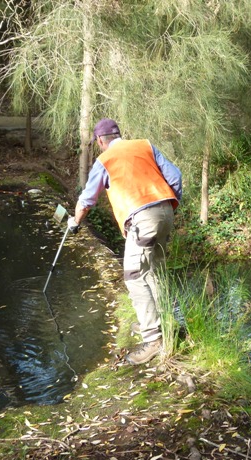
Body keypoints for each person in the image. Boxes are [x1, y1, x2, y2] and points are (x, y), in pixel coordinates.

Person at [68, 118, 182, 365]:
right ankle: (164, 324)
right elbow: (175, 176)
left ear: (100, 141)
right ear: (119, 134)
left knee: (134, 274)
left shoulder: (104, 160)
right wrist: (170, 207)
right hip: (166, 211)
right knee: (154, 270)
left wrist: (75, 223)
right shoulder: (145, 145)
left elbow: (87, 199)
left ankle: (153, 339)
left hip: (143, 219)